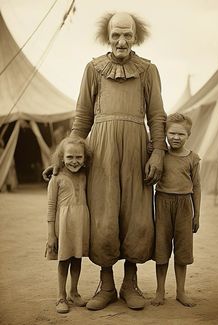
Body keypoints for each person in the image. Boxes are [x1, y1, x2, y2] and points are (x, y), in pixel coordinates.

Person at [43, 11, 167, 310]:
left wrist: (159, 152)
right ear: (107, 36)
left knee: (136, 215)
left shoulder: (148, 70)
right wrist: (62, 159)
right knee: (104, 215)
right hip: (101, 153)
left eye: (127, 34)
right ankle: (107, 284)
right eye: (116, 34)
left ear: (135, 37)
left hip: (138, 151)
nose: (121, 40)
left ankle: (131, 284)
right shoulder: (93, 69)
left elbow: (157, 116)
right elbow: (83, 116)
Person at [151, 113, 201, 307]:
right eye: (172, 133)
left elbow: (196, 187)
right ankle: (160, 291)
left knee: (183, 251)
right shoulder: (160, 155)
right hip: (163, 203)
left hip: (184, 206)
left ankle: (181, 291)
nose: (176, 137)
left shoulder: (193, 159)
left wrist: (197, 214)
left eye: (181, 134)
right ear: (165, 133)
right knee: (162, 249)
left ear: (188, 135)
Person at [45, 137, 91, 314]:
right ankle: (61, 296)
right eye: (69, 157)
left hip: (80, 224)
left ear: (85, 158)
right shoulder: (56, 178)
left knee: (77, 258)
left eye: (78, 157)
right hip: (63, 225)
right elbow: (50, 207)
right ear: (61, 158)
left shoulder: (85, 175)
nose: (74, 161)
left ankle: (74, 291)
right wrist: (51, 234)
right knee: (63, 260)